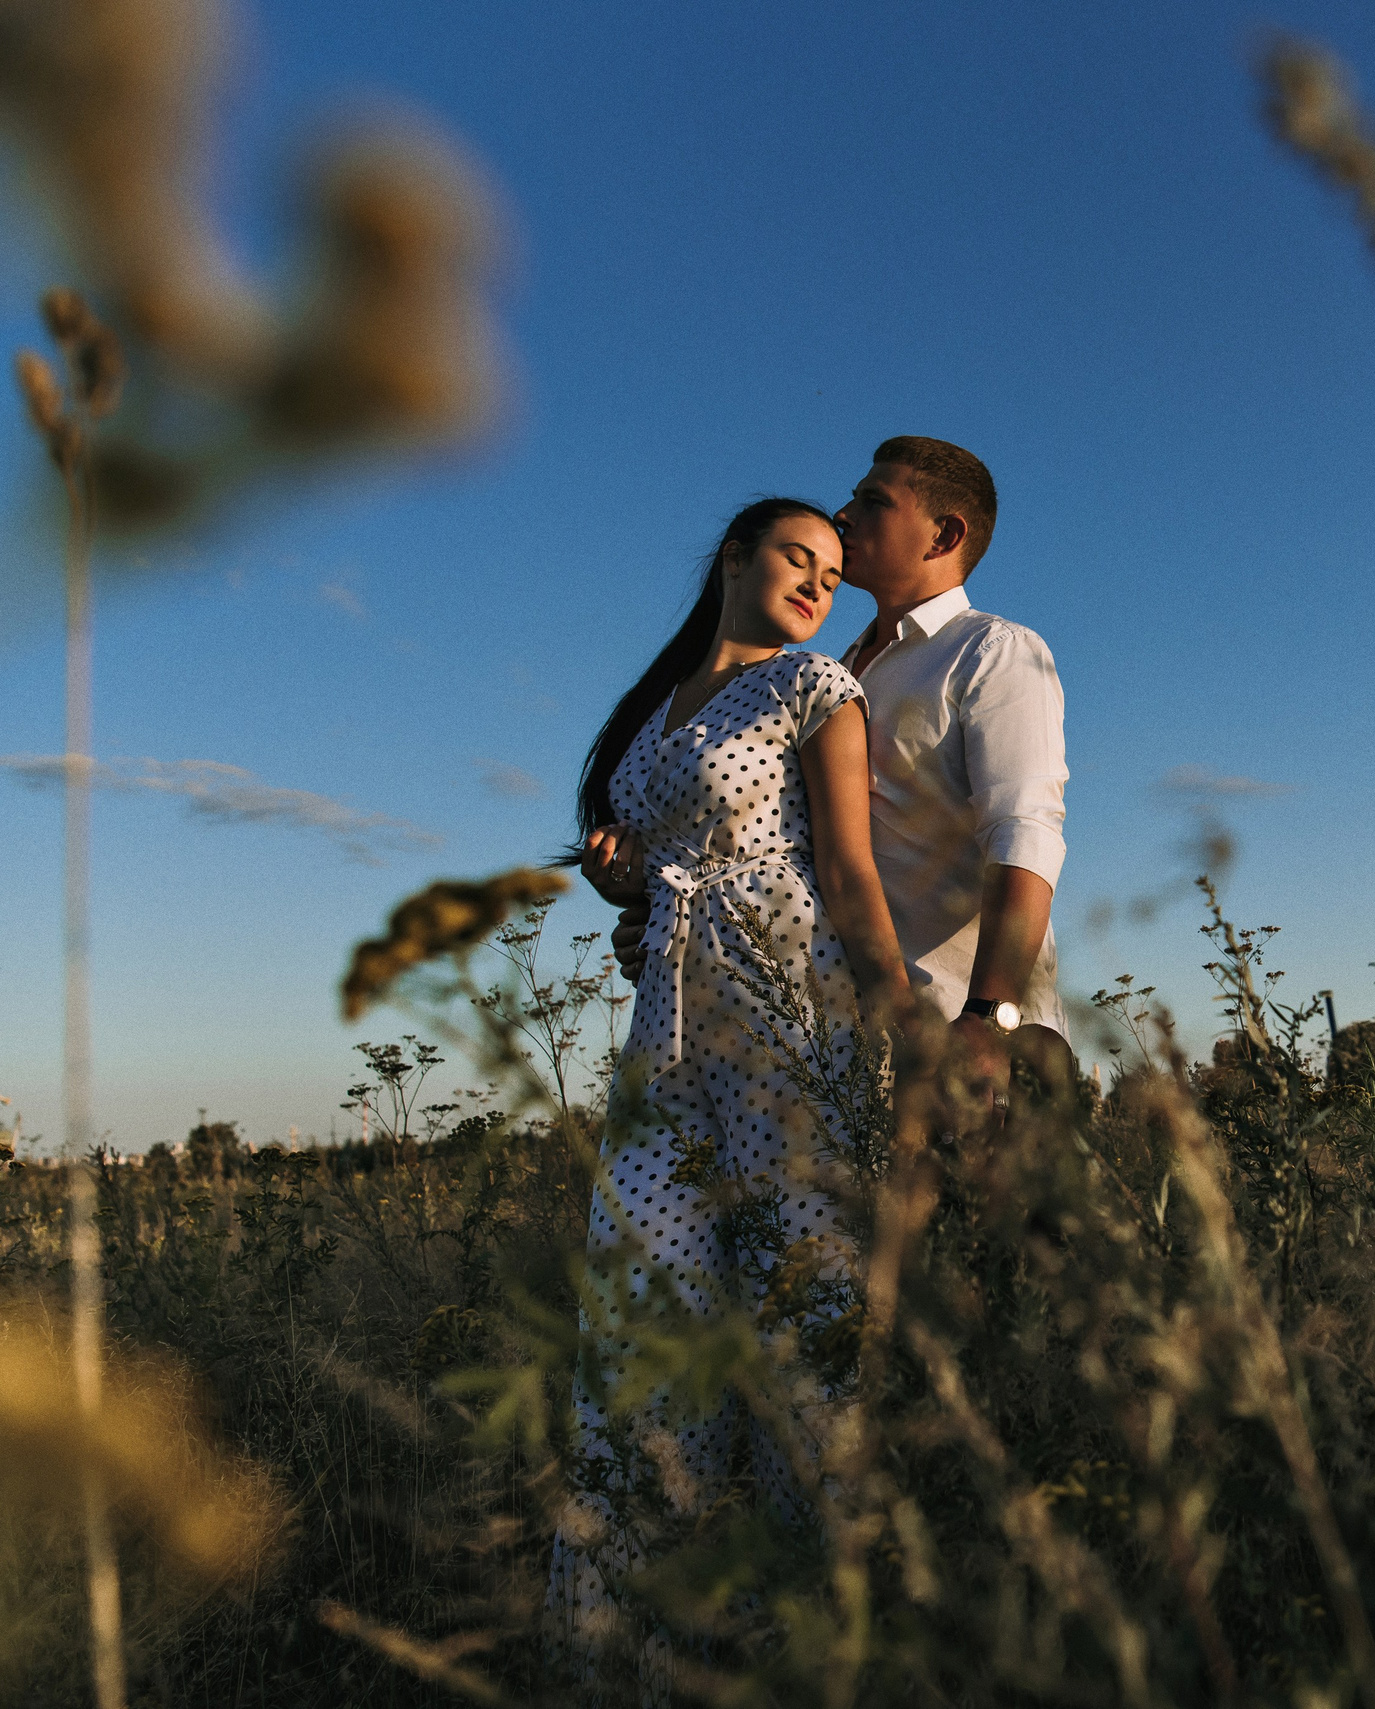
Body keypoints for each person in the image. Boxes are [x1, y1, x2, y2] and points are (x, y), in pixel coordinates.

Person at [548, 496, 911, 1686]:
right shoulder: (650, 717)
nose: (817, 581)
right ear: (736, 557)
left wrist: (903, 1044)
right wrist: (621, 890)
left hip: (785, 1012)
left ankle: (823, 1642)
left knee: (803, 1315)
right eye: (796, 557)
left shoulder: (817, 689)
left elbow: (849, 873)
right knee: (644, 1306)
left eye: (832, 570)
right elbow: (657, 887)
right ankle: (644, 1641)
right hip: (668, 1030)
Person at [616, 435, 1070, 1108]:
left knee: (1004, 1217)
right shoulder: (824, 675)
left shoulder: (991, 652)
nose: (844, 514)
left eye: (873, 500)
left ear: (944, 534)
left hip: (973, 1043)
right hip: (849, 1048)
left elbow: (1025, 834)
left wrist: (987, 1017)